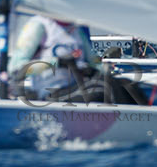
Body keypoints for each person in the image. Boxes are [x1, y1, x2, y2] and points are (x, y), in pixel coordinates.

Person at [7, 15, 136, 102]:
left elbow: (93, 62)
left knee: (126, 84)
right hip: (50, 94)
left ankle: (144, 123)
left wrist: (97, 70)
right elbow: (16, 67)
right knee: (102, 88)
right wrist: (57, 63)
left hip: (76, 88)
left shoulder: (76, 29)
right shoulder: (39, 25)